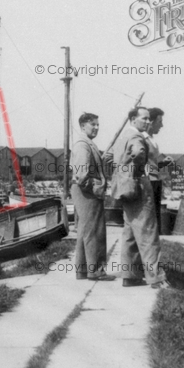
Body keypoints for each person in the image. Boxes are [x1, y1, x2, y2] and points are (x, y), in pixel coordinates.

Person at [104, 107, 168, 289]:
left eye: (149, 119)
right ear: (133, 119)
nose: (148, 122)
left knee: (130, 233)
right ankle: (156, 279)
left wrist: (123, 171)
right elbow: (139, 154)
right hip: (139, 186)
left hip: (124, 188)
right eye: (144, 119)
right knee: (148, 232)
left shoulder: (121, 136)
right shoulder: (137, 137)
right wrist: (137, 169)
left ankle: (130, 276)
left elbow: (111, 159)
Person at [70, 113, 115, 281]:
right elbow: (82, 175)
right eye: (93, 125)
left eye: (97, 125)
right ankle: (95, 271)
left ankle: (83, 271)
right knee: (94, 231)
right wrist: (95, 189)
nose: (96, 128)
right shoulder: (82, 145)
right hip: (87, 191)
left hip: (84, 189)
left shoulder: (88, 144)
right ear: (83, 126)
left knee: (84, 231)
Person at [145, 108, 173, 233]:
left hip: (155, 182)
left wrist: (162, 164)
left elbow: (151, 165)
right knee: (148, 221)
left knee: (155, 221)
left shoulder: (152, 140)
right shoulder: (141, 139)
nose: (162, 125)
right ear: (150, 122)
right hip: (147, 183)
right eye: (159, 121)